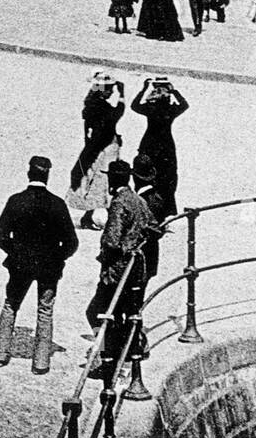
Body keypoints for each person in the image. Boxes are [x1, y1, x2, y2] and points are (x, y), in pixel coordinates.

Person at [0, 157, 79, 374]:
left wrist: (16, 252)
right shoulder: (58, 204)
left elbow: (0, 236)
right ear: (47, 175)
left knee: (11, 304)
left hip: (20, 266)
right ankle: (40, 363)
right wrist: (57, 257)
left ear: (29, 174)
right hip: (49, 268)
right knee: (45, 310)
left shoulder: (16, 200)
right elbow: (72, 243)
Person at [84, 160, 156, 380]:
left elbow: (111, 240)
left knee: (97, 313)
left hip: (116, 271)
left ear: (114, 180)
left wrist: (115, 246)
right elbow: (154, 227)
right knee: (126, 313)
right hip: (136, 269)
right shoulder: (139, 201)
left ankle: (108, 358)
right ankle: (129, 353)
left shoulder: (119, 203)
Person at [66, 71, 125, 231]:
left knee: (92, 181)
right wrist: (122, 96)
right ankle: (110, 218)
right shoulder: (103, 107)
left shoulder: (90, 103)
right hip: (104, 149)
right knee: (104, 182)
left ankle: (89, 216)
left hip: (94, 147)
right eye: (110, 88)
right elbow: (116, 114)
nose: (112, 91)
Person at [130, 76, 188, 213]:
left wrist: (143, 89)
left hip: (149, 144)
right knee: (168, 177)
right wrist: (174, 92)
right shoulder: (169, 109)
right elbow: (184, 105)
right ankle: (168, 209)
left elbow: (134, 105)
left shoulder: (150, 108)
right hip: (166, 145)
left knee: (146, 175)